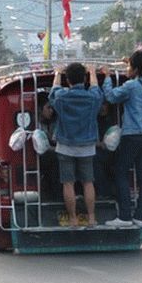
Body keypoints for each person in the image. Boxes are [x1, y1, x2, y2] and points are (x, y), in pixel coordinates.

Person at [101, 50, 142, 228]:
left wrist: (107, 77)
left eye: (129, 66)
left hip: (132, 135)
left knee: (120, 171)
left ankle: (125, 215)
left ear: (135, 69)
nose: (126, 69)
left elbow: (110, 96)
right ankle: (141, 215)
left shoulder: (131, 86)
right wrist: (132, 63)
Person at [49, 62, 104, 228]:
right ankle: (92, 218)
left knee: (68, 183)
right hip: (87, 147)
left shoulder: (61, 98)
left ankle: (72, 219)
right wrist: (92, 72)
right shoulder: (93, 98)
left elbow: (53, 92)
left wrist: (58, 73)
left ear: (68, 80)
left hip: (65, 146)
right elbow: (96, 90)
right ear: (84, 79)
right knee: (88, 182)